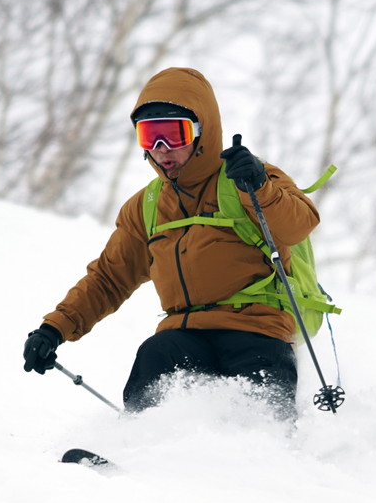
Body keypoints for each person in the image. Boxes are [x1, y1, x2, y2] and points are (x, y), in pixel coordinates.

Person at [21, 67, 321, 418]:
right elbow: (109, 277)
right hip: (184, 334)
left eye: (173, 134)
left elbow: (298, 226)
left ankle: (268, 455)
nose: (162, 149)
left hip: (257, 330)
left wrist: (258, 187)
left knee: (257, 386)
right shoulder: (147, 206)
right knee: (157, 353)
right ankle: (141, 446)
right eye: (149, 136)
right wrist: (54, 328)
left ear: (201, 132)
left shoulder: (246, 177)